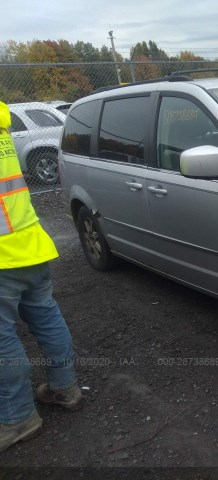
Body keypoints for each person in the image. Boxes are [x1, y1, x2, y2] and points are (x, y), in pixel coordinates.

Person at [0, 101, 83, 453]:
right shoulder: (3, 125)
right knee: (46, 316)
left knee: (2, 338)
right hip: (30, 244)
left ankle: (18, 418)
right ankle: (65, 387)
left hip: (3, 257)